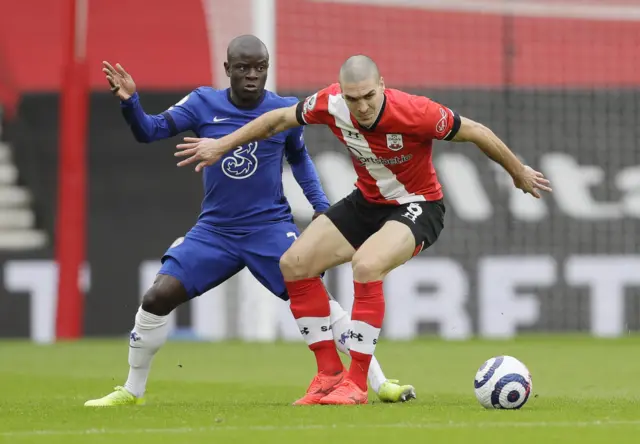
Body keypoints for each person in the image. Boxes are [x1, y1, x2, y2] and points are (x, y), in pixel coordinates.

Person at [173, 54, 553, 406]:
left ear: (382, 86)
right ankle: (327, 374)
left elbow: (476, 130)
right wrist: (221, 144)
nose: (362, 106)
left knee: (367, 265)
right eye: (354, 99)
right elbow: (276, 121)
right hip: (367, 202)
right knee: (294, 264)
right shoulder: (330, 104)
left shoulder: (416, 112)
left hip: (418, 206)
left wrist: (517, 171)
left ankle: (356, 384)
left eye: (369, 96)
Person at [84, 39, 415, 407]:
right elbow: (149, 131)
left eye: (260, 67)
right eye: (243, 67)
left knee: (319, 300)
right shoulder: (202, 103)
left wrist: (321, 207)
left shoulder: (283, 111)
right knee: (156, 297)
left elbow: (300, 161)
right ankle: (132, 390)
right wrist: (131, 102)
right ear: (227, 69)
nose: (252, 75)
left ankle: (378, 382)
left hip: (269, 228)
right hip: (215, 231)